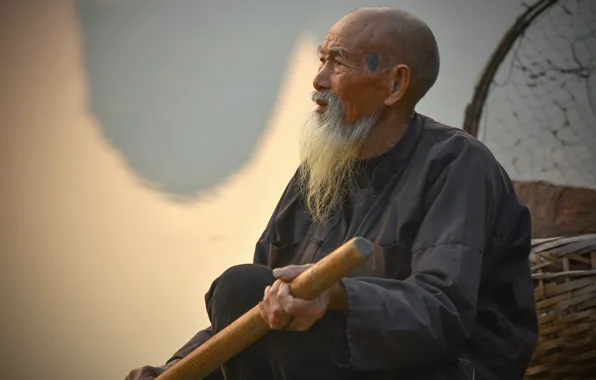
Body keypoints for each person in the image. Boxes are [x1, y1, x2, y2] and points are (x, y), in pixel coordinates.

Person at [126, 6, 538, 380]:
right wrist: (175, 369)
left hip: (443, 369)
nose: (318, 79)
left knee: (243, 287)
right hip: (327, 363)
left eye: (337, 62)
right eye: (322, 58)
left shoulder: (458, 165)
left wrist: (336, 296)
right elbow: (258, 309)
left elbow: (442, 313)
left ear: (395, 83)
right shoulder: (317, 173)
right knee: (244, 290)